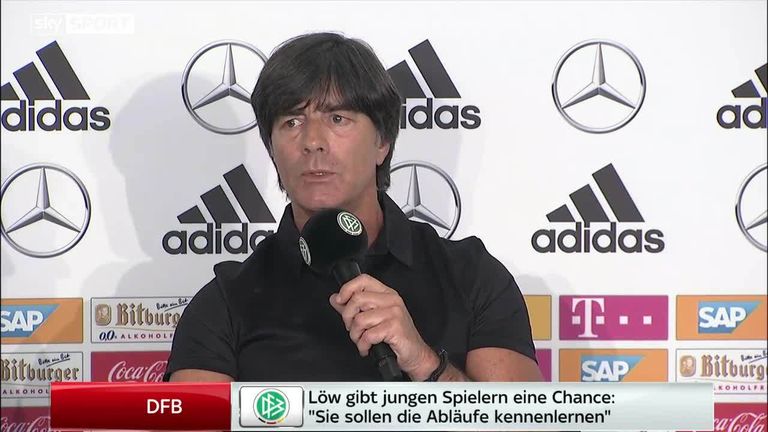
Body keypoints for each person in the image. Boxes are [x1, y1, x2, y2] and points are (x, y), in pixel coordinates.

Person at [164, 32, 542, 382]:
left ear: (383, 142)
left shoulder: (472, 276)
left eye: (337, 118)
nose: (312, 141)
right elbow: (192, 419)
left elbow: (522, 420)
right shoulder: (225, 302)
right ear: (272, 150)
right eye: (292, 121)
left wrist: (424, 362)